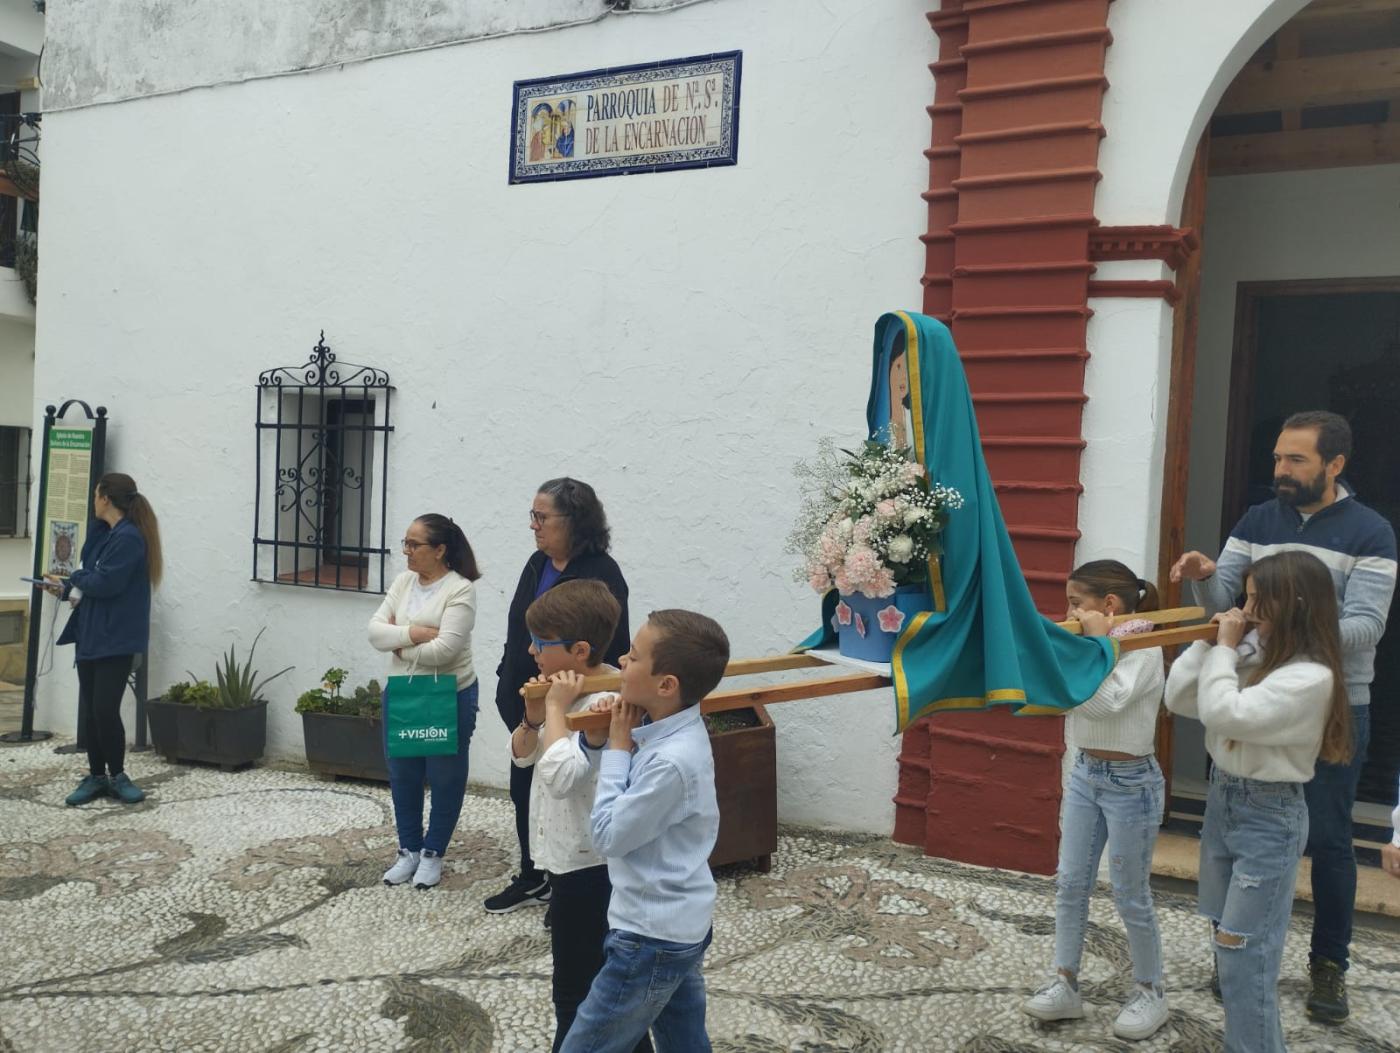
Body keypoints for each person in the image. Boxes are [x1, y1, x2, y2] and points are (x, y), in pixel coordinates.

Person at [1171, 410, 1396, 1023]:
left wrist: (1283, 642)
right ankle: (1232, 948)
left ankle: (1329, 964)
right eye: (1277, 458)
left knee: (1328, 839)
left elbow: (1366, 627)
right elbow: (1232, 609)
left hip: (1329, 705)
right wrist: (1207, 578)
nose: (1281, 470)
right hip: (1252, 697)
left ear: (1335, 464)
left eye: (1295, 460)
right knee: (1225, 833)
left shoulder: (1372, 532)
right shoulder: (1256, 519)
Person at [1166, 551, 1352, 1053]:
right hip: (1224, 800)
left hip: (1269, 815)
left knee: (1246, 956)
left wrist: (1224, 651)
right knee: (1229, 956)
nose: (1244, 609)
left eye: (1255, 598)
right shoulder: (1253, 651)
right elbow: (1181, 700)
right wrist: (1207, 648)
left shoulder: (1310, 677)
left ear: (1292, 604)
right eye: (1244, 596)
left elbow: (1226, 714)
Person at [560, 609, 729, 1053]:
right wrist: (607, 740)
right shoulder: (663, 728)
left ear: (666, 685)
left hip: (650, 937)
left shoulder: (672, 761)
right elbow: (628, 802)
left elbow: (609, 835)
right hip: (676, 925)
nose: (621, 660)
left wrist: (617, 749)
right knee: (684, 1042)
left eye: (633, 657)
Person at [1023, 561, 1169, 1041]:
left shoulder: (1143, 646)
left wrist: (1087, 648)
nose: (1068, 611)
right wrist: (1077, 654)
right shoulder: (1088, 648)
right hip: (1087, 774)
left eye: (1075, 602)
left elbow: (1105, 701)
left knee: (1130, 894)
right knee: (1070, 884)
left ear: (1107, 606)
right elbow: (1065, 698)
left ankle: (1150, 991)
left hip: (1132, 783)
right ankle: (1065, 982)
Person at [509, 580, 651, 1053]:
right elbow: (524, 758)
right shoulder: (556, 694)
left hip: (592, 866)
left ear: (581, 650)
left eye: (541, 645)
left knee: (581, 989)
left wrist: (554, 708)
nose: (531, 651)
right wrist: (533, 717)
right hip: (564, 860)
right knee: (591, 984)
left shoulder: (604, 702)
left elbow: (561, 777)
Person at [487, 478, 630, 916]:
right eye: (533, 516)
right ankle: (534, 875)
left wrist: (567, 699)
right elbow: (521, 625)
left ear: (574, 521)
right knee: (525, 787)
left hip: (573, 703)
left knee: (570, 789)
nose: (533, 526)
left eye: (541, 517)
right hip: (528, 695)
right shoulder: (536, 562)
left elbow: (611, 645)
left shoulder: (602, 574)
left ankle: (567, 881)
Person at [368, 514, 481, 890]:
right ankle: (408, 851)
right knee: (403, 774)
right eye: (406, 542)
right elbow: (374, 631)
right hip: (403, 692)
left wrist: (397, 644)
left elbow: (446, 651)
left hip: (448, 692)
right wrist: (414, 634)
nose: (407, 551)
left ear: (440, 550)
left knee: (445, 776)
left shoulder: (460, 589)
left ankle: (433, 853)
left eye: (415, 545)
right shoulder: (403, 583)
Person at [49, 473, 164, 807]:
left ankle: (118, 775)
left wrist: (75, 578)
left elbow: (105, 583)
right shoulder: (107, 535)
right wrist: (64, 588)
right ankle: (96, 775)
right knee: (92, 710)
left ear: (106, 498)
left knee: (104, 708)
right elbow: (90, 581)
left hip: (116, 638)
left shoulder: (129, 538)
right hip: (92, 633)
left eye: (96, 494)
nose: (93, 500)